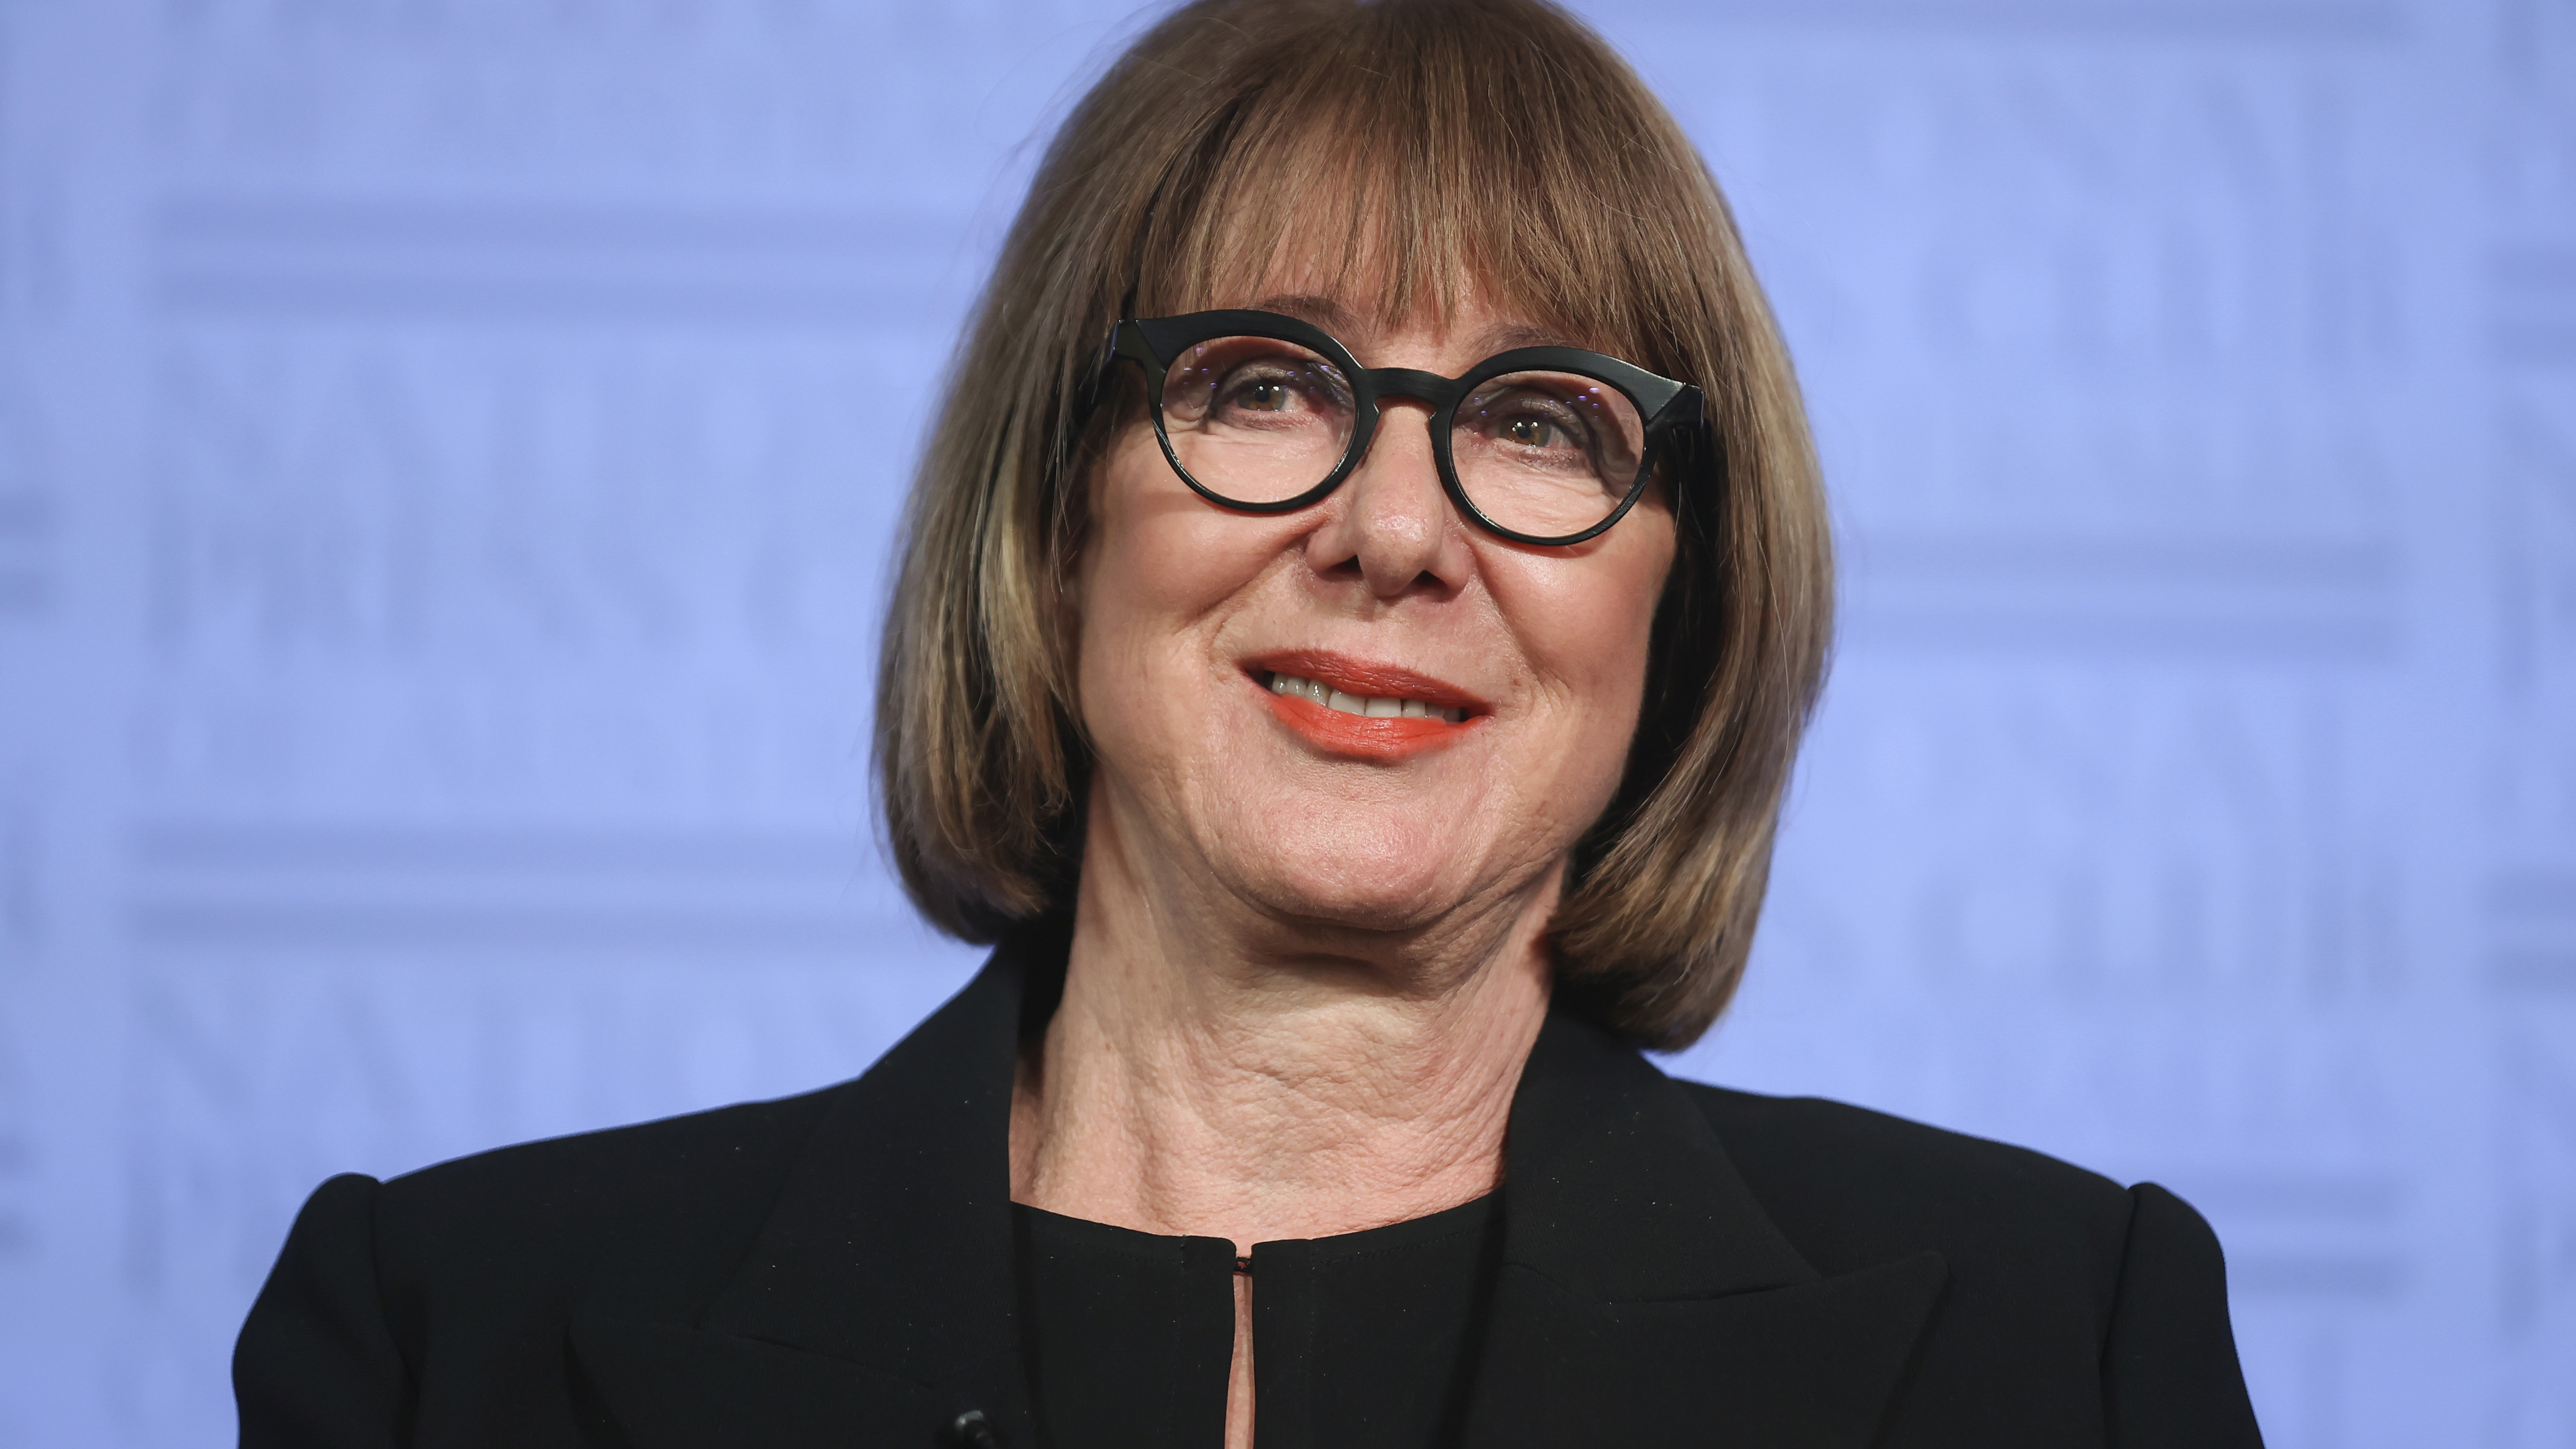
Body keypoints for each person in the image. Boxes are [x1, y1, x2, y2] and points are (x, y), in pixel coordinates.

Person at [233, 1, 2266, 1444]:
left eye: (1542, 423)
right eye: (1263, 386)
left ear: (1684, 598)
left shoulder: (2052, 1343)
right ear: (1054, 518)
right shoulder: (450, 1339)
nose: (1393, 533)